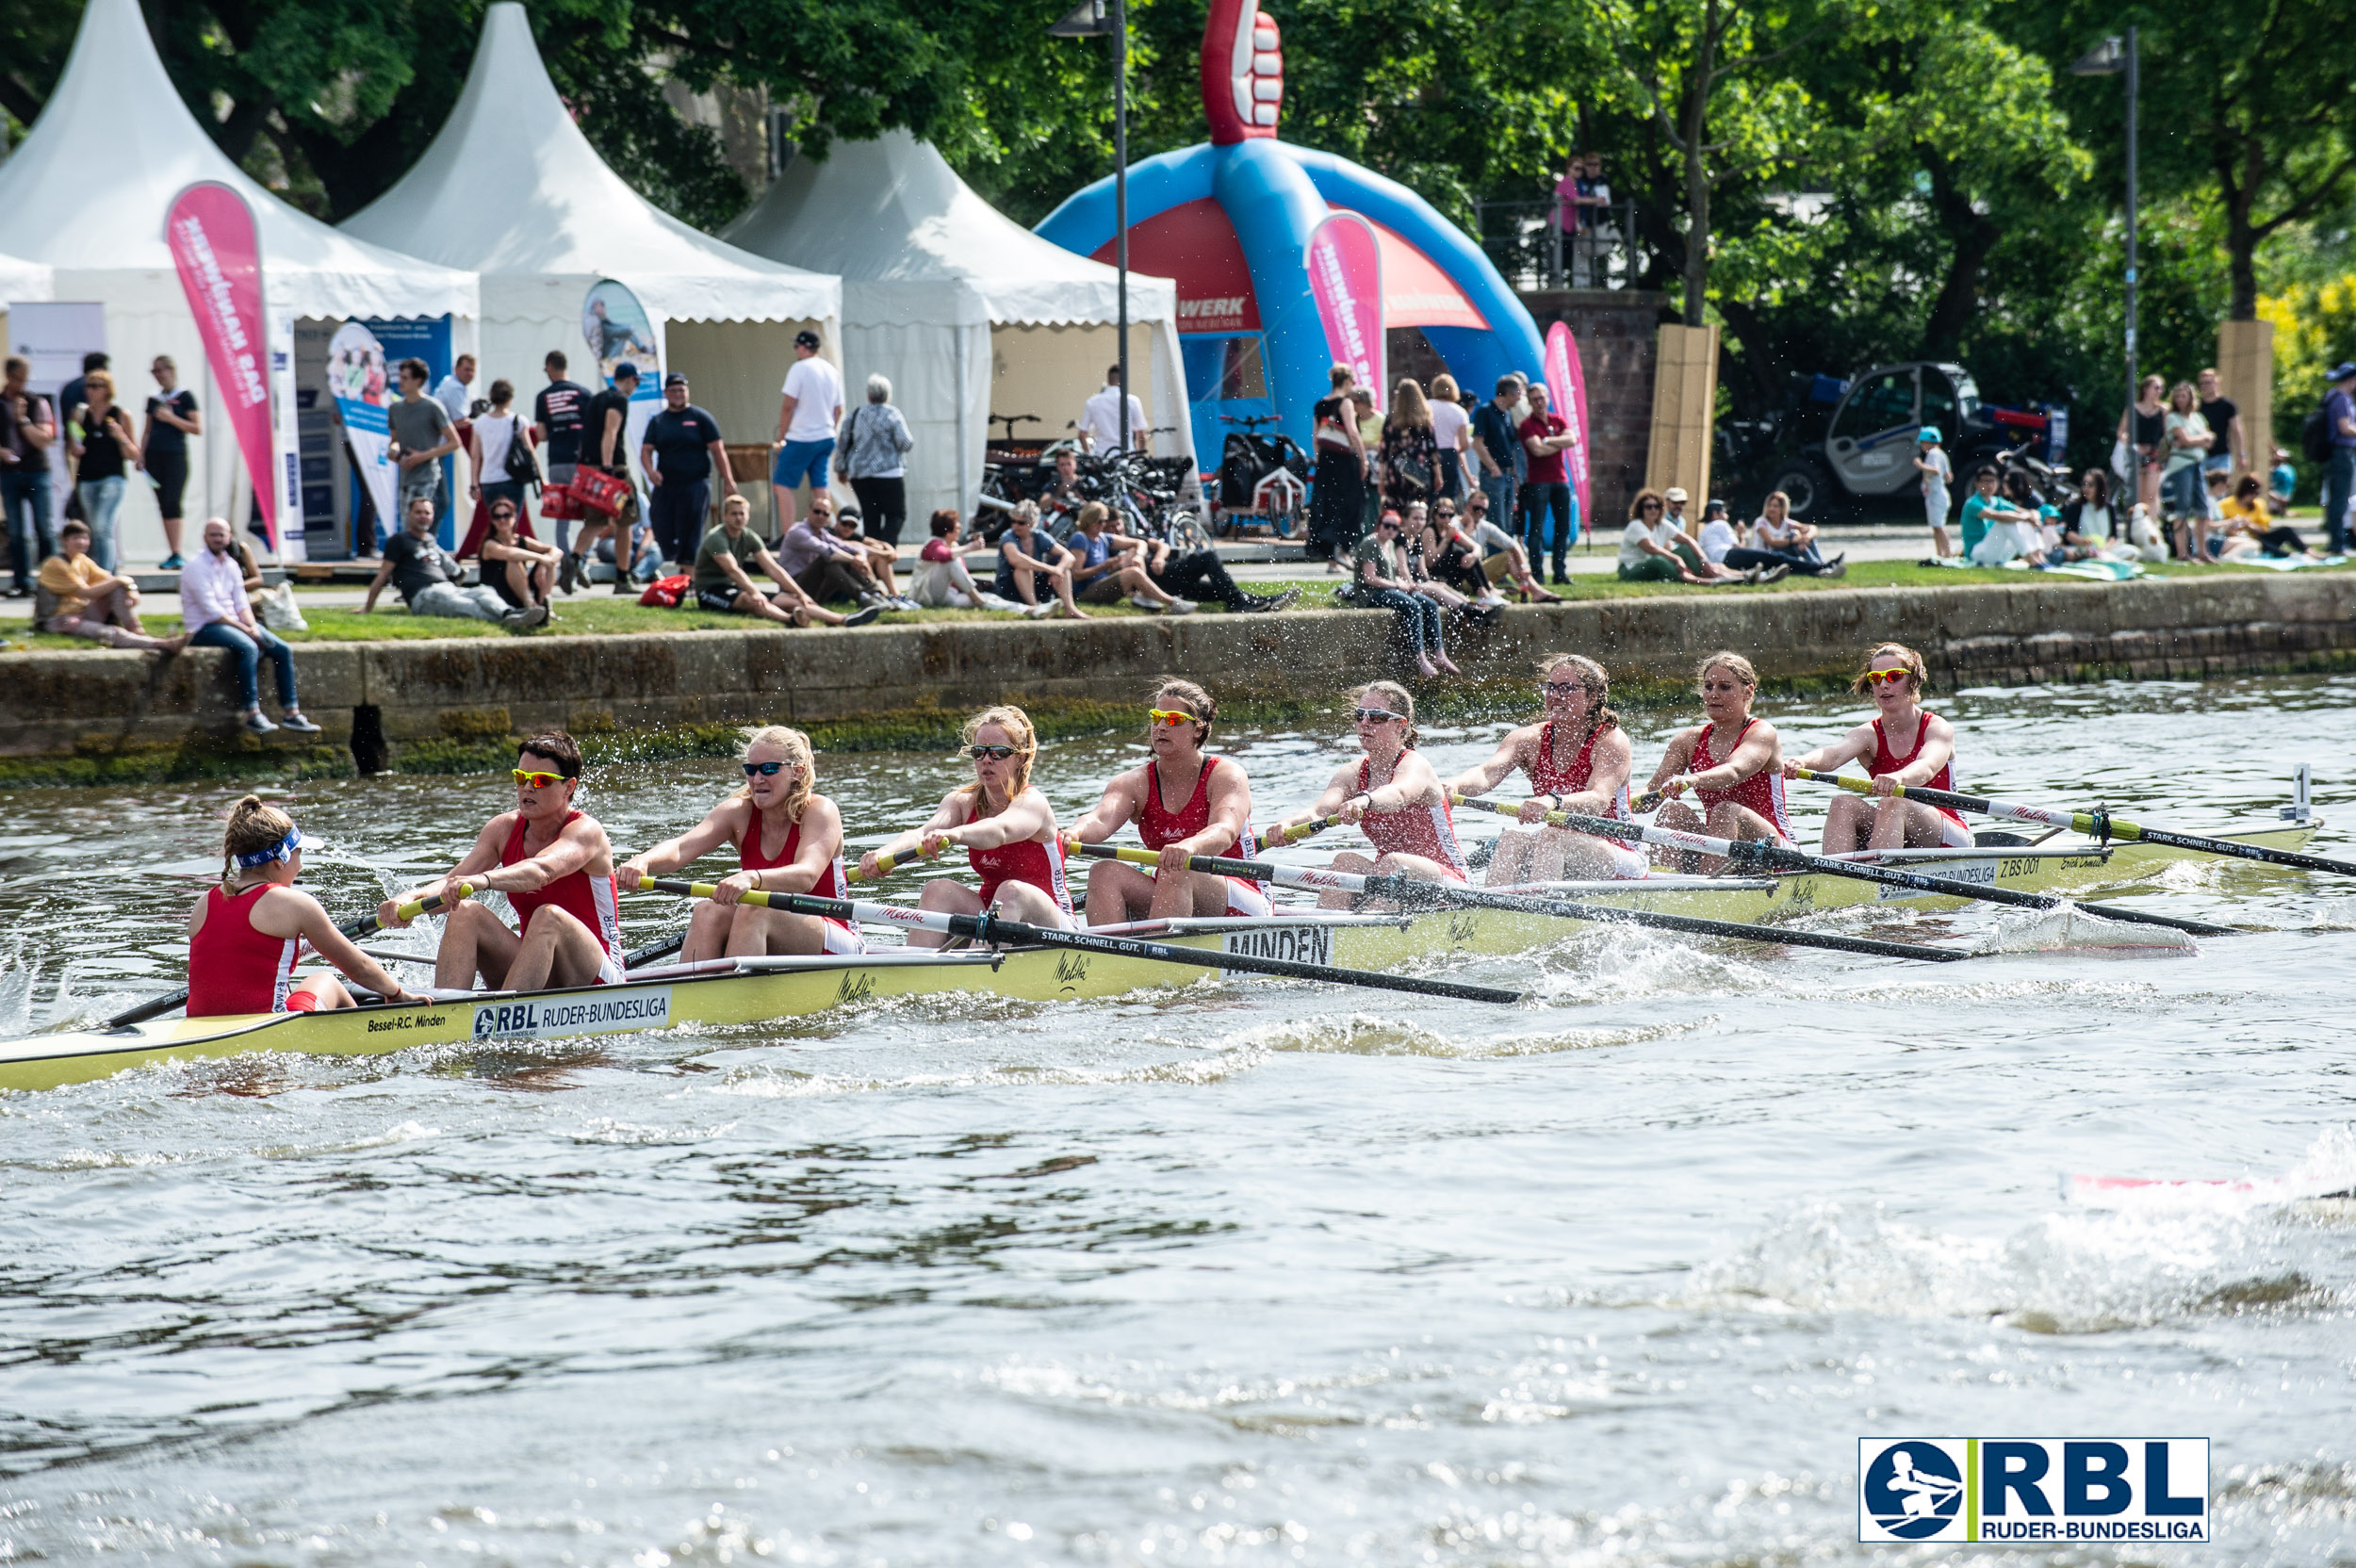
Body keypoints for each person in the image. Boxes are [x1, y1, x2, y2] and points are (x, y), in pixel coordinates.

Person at [380, 732, 627, 991]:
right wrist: (408, 898)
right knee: (465, 912)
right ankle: (445, 1016)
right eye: (521, 778)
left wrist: (484, 880)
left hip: (598, 974)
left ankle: (506, 1022)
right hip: (537, 967)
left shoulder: (587, 832)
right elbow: (452, 881)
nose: (527, 788)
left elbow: (542, 870)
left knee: (548, 916)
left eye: (541, 781)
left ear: (569, 787)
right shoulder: (503, 829)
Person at [619, 726, 864, 959]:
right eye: (751, 769)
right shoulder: (739, 812)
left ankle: (732, 995)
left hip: (838, 933)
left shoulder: (820, 811)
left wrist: (751, 878)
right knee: (707, 912)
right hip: (773, 925)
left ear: (797, 771)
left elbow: (806, 876)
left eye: (768, 769)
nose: (757, 779)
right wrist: (643, 860)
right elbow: (682, 848)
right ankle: (692, 994)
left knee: (754, 908)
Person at [188, 797, 424, 1017]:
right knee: (326, 979)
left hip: (201, 1029)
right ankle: (368, 1040)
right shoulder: (295, 904)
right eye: (299, 854)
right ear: (280, 860)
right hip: (267, 1027)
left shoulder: (204, 903)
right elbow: (358, 967)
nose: (300, 866)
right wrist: (397, 994)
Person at [859, 705, 1074, 946]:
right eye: (979, 751)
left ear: (1020, 758)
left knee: (1012, 891)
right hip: (992, 918)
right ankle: (914, 975)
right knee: (937, 890)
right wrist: (885, 853)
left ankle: (977, 974)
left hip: (1054, 925)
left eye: (998, 752)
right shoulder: (961, 802)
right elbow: (922, 834)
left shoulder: (1033, 803)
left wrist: (956, 833)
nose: (986, 760)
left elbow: (1000, 831)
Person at [1068, 679, 1269, 923]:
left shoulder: (1226, 774)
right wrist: (1072, 834)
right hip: (1172, 883)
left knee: (1179, 867)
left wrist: (1190, 846)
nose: (1161, 727)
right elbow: (1099, 819)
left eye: (1173, 720)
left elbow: (1224, 830)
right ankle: (1111, 958)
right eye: (1156, 717)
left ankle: (1158, 956)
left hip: (1243, 896)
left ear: (1198, 728)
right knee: (1103, 872)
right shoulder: (1133, 782)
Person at [1448, 654, 1645, 884]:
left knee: (1552, 837)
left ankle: (1539, 914)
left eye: (1567, 688)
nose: (1554, 696)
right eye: (1550, 687)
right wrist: (1454, 785)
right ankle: (1495, 912)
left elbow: (1598, 800)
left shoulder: (1611, 740)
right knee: (1511, 838)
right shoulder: (1528, 739)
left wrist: (1554, 801)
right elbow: (1485, 773)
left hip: (1619, 852)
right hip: (1557, 848)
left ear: (1592, 698)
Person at [1269, 682, 1468, 906]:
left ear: (1399, 725)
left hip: (1450, 883)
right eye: (1359, 715)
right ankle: (1328, 931)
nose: (1364, 723)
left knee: (1393, 863)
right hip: (1393, 881)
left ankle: (1370, 932)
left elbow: (1399, 794)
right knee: (1345, 862)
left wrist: (1365, 799)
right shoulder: (1353, 774)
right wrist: (1287, 825)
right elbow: (1318, 812)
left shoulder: (1415, 765)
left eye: (1376, 717)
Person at [1784, 644, 1972, 851]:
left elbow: (1927, 766)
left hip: (1950, 833)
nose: (1883, 684)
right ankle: (1837, 879)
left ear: (1913, 681)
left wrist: (1899, 777)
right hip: (1894, 825)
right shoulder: (1867, 734)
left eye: (1893, 676)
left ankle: (1876, 878)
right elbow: (1834, 755)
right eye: (1875, 678)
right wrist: (1801, 761)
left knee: (1892, 802)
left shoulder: (1937, 727)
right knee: (1842, 804)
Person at [1648, 651, 1792, 862]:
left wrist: (1691, 779)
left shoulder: (1761, 732)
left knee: (1726, 811)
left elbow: (1734, 771)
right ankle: (1664, 883)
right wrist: (1605, 801)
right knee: (1672, 811)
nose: (1713, 694)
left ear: (1748, 692)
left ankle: (1708, 889)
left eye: (1724, 687)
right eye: (1708, 687)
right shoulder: (1688, 741)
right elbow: (1651, 795)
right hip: (1721, 847)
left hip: (1775, 850)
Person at [182, 516, 319, 734]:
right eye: (213, 535)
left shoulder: (230, 565)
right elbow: (211, 610)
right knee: (249, 647)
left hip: (234, 623)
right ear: (205, 538)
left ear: (229, 537)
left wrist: (252, 626)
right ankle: (252, 713)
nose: (218, 539)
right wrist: (247, 631)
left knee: (282, 650)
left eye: (222, 535)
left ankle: (292, 713)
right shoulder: (195, 567)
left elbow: (241, 601)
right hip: (204, 627)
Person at [687, 492, 873, 627]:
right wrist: (754, 591)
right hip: (710, 591)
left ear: (748, 516)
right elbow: (732, 570)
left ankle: (842, 619)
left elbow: (772, 568)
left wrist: (800, 593)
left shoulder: (749, 536)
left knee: (790, 599)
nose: (738, 518)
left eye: (742, 513)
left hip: (733, 587)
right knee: (752, 600)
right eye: (734, 514)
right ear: (724, 516)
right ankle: (790, 620)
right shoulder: (715, 537)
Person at [363, 495, 548, 629]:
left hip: (446, 587)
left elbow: (456, 572)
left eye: (427, 513)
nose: (423, 516)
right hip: (424, 595)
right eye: (418, 512)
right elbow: (383, 575)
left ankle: (510, 614)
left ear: (433, 516)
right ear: (409, 515)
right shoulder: (399, 540)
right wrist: (367, 608)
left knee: (484, 591)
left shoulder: (430, 540)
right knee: (467, 606)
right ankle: (511, 620)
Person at [36, 518, 183, 652]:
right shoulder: (55, 564)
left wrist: (131, 589)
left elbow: (110, 579)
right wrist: (121, 580)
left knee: (118, 589)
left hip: (81, 612)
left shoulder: (82, 559)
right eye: (76, 538)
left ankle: (137, 631)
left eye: (84, 538)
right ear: (64, 541)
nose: (81, 542)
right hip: (60, 620)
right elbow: (88, 593)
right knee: (110, 631)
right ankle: (160, 644)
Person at [640, 372, 734, 570]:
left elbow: (718, 450)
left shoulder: (700, 418)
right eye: (673, 390)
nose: (678, 394)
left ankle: (688, 575)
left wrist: (728, 480)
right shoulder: (658, 421)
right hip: (666, 485)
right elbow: (646, 451)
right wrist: (650, 471)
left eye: (681, 390)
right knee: (660, 526)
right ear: (665, 393)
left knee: (690, 531)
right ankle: (672, 564)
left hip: (695, 484)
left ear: (687, 391)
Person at [557, 363, 637, 595]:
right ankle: (622, 579)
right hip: (611, 467)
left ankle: (573, 560)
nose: (635, 387)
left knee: (595, 521)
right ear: (630, 379)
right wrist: (609, 469)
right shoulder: (619, 399)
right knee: (626, 522)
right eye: (636, 382)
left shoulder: (596, 398)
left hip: (589, 467)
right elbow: (610, 432)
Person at [1350, 510, 1459, 678]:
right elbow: (1369, 578)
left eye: (1394, 527)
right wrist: (1397, 585)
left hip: (1390, 588)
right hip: (1371, 594)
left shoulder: (1391, 544)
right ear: (1379, 525)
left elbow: (1392, 575)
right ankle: (1420, 658)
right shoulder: (1370, 543)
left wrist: (1406, 585)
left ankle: (1439, 654)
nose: (1390, 530)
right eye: (1387, 525)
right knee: (1412, 605)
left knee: (1429, 604)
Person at [771, 331, 843, 536]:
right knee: (820, 485)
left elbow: (788, 406)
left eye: (796, 347)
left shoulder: (799, 368)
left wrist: (782, 437)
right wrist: (828, 428)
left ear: (803, 347)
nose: (796, 351)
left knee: (782, 484)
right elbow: (838, 409)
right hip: (825, 436)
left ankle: (789, 535)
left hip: (801, 437)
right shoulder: (831, 370)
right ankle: (823, 531)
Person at [66, 369, 138, 573]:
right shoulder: (79, 414)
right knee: (94, 528)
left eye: (97, 386)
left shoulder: (120, 414)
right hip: (87, 477)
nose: (91, 390)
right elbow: (74, 446)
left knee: (102, 526)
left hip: (113, 477)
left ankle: (103, 574)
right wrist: (76, 445)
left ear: (107, 389)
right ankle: (109, 572)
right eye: (89, 386)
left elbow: (133, 454)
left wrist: (120, 436)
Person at [1068, 500, 1191, 612]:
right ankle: (1172, 603)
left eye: (1104, 521)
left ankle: (1143, 596)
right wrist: (1104, 566)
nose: (1103, 525)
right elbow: (1077, 575)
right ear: (1089, 521)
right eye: (1100, 521)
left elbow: (1140, 543)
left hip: (1102, 582)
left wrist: (1138, 556)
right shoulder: (1080, 538)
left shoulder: (1102, 537)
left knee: (1133, 550)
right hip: (1085, 591)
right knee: (1133, 573)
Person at [1, 356, 57, 597]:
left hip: (37, 472)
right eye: (18, 378)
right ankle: (21, 583)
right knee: (16, 531)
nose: (22, 383)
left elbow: (44, 440)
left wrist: (22, 420)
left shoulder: (37, 402)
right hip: (9, 474)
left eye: (25, 378)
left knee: (44, 528)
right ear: (8, 375)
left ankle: (50, 583)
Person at [776, 496, 890, 612]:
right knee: (828, 560)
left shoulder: (823, 534)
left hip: (817, 588)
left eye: (825, 514)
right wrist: (857, 558)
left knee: (845, 559)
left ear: (829, 517)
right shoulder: (798, 531)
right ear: (808, 511)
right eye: (817, 511)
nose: (821, 516)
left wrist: (862, 556)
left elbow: (853, 547)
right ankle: (864, 597)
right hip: (793, 589)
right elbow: (829, 552)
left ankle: (877, 595)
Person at [839, 374, 914, 547]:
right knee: (895, 515)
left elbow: (843, 443)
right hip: (889, 474)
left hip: (860, 475)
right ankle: (885, 551)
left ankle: (872, 557)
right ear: (888, 395)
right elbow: (906, 443)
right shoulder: (892, 414)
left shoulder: (855, 414)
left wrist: (841, 468)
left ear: (869, 395)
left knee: (870, 516)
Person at [387, 357, 460, 535]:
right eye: (400, 377)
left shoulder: (432, 406)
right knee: (407, 526)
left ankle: (427, 552)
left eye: (405, 378)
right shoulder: (395, 408)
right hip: (406, 477)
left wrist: (422, 456)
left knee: (421, 522)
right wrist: (394, 450)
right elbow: (395, 440)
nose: (400, 382)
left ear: (418, 381)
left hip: (427, 476)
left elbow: (454, 442)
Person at [140, 355, 200, 569]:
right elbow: (147, 430)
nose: (157, 376)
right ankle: (172, 551)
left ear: (170, 370)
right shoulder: (153, 399)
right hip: (155, 457)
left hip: (175, 456)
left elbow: (196, 428)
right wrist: (141, 455)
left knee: (173, 501)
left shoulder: (185, 397)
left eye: (160, 371)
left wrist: (171, 418)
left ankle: (177, 552)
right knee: (163, 503)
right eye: (154, 372)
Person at [1306, 364, 1367, 565]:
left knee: (1328, 505)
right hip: (1344, 460)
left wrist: (1319, 459)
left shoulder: (1319, 404)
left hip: (1326, 461)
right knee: (1351, 503)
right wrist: (1363, 458)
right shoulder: (1346, 403)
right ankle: (1343, 550)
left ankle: (1331, 555)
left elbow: (1316, 437)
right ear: (1348, 381)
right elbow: (1352, 432)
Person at [1618, 489, 1745, 585]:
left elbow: (1688, 540)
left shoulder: (1662, 524)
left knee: (1685, 548)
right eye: (1648, 506)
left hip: (1657, 562)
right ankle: (1703, 580)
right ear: (1641, 509)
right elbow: (1651, 549)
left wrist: (1704, 561)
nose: (1653, 510)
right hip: (1631, 568)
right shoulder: (1636, 525)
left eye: (1656, 506)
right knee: (1657, 560)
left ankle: (1738, 576)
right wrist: (1676, 558)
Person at [1517, 382, 1579, 581]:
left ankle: (1560, 572)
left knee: (1563, 528)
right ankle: (1538, 573)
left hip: (1560, 480)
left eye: (1542, 398)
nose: (1539, 402)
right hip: (1538, 481)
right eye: (1534, 399)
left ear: (1548, 398)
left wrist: (1547, 441)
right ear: (1529, 402)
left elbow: (1572, 439)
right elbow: (1537, 450)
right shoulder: (1527, 425)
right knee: (1537, 528)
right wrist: (1557, 443)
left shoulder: (1557, 419)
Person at [1456, 487, 1560, 602]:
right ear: (1467, 506)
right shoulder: (1454, 524)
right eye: (1477, 508)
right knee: (1505, 557)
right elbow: (1458, 554)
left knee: (1510, 555)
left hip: (1476, 576)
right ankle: (1534, 591)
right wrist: (1469, 527)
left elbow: (1513, 545)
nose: (1480, 512)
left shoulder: (1484, 526)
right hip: (1460, 578)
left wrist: (1524, 566)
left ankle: (1532, 589)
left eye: (1484, 510)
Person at [910, 509, 1024, 612]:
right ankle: (980, 600)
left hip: (948, 594)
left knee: (990, 598)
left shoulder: (953, 546)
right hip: (926, 595)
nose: (960, 530)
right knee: (951, 561)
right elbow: (943, 555)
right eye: (958, 528)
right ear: (948, 531)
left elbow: (961, 573)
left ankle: (1027, 609)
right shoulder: (933, 543)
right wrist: (969, 548)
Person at [532, 351, 589, 551]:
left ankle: (566, 560)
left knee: (562, 516)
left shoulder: (542, 397)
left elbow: (541, 435)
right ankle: (580, 560)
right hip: (582, 463)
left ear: (550, 367)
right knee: (590, 515)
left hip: (557, 461)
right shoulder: (584, 393)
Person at [993, 500, 1087, 619]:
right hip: (1009, 588)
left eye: (1021, 523)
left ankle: (1070, 609)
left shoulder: (1039, 536)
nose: (1015, 525)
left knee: (1064, 569)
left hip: (1035, 585)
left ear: (1031, 523)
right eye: (1013, 521)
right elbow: (1016, 559)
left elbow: (1069, 556)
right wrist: (1050, 569)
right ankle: (1036, 609)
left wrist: (1058, 569)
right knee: (1022, 568)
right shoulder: (1008, 536)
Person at [819, 498, 914, 607]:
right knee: (866, 557)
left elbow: (877, 543)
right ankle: (880, 595)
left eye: (852, 526)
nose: (848, 528)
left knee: (875, 551)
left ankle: (894, 596)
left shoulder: (851, 535)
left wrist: (889, 549)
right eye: (845, 523)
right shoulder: (827, 534)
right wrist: (883, 553)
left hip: (850, 583)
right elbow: (850, 545)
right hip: (832, 584)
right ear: (837, 519)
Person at [467, 378, 532, 537]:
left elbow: (475, 456)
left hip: (489, 480)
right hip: (513, 480)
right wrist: (542, 479)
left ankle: (499, 556)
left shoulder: (480, 423)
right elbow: (529, 450)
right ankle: (511, 557)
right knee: (511, 524)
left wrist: (474, 483)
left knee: (496, 525)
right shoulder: (519, 421)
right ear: (510, 398)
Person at [481, 497, 562, 612]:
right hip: (498, 596)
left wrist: (545, 563)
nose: (502, 520)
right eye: (497, 517)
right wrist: (541, 558)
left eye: (506, 515)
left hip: (518, 592)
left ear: (514, 517)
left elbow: (556, 550)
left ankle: (546, 607)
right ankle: (531, 607)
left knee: (550, 562)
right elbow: (511, 554)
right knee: (514, 561)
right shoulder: (489, 544)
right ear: (492, 521)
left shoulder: (521, 540)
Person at [1377, 377, 1440, 519]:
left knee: (1396, 510)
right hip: (1419, 469)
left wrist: (1382, 478)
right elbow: (1433, 450)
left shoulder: (1391, 420)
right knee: (1418, 510)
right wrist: (1438, 475)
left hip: (1397, 470)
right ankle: (1415, 537)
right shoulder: (1425, 421)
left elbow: (1383, 452)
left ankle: (1397, 537)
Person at [1471, 374, 1526, 534]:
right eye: (1518, 394)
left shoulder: (1508, 414)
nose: (1519, 398)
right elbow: (1478, 443)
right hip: (1493, 476)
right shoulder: (1485, 412)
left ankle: (1506, 559)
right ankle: (1496, 558)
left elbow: (1511, 447)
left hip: (1508, 476)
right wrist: (1493, 467)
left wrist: (1515, 475)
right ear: (1509, 393)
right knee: (1496, 523)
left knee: (1508, 524)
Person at [2217, 472, 2316, 558]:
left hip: (2257, 537)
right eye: (2253, 493)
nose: (2255, 496)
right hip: (2240, 540)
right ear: (2244, 491)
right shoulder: (2225, 505)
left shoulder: (2258, 504)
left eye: (2257, 494)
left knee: (2286, 530)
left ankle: (2309, 552)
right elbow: (2221, 529)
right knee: (2259, 542)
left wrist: (2249, 525)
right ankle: (2289, 555)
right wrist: (2233, 527)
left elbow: (2264, 530)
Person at [2161, 380, 2214, 541]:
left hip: (2198, 464)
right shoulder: (2173, 417)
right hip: (2181, 465)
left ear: (2191, 398)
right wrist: (2201, 439)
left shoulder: (2198, 417)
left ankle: (2202, 552)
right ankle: (2182, 553)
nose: (2180, 400)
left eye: (2183, 396)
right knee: (2182, 509)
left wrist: (2194, 440)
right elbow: (2186, 441)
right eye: (2177, 396)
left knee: (2203, 509)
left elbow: (2210, 440)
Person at [1746, 491, 1843, 576]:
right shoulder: (1761, 522)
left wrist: (1805, 538)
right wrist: (1795, 540)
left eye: (1775, 506)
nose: (1771, 509)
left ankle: (1820, 564)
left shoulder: (1785, 522)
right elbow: (1772, 542)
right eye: (1770, 505)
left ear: (1782, 509)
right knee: (1794, 536)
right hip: (1766, 557)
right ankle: (1821, 566)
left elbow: (1812, 528)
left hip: (1779, 554)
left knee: (1800, 536)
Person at [2118, 373, 2168, 520]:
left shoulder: (2163, 410)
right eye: (2156, 387)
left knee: (2152, 494)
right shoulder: (2133, 408)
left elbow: (2167, 434)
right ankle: (2139, 524)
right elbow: (2122, 432)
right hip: (2137, 453)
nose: (2159, 391)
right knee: (2139, 495)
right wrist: (2133, 445)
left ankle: (2152, 525)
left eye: (2161, 388)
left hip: (2154, 455)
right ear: (2146, 389)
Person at [1078, 364, 1149, 454]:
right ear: (1124, 380)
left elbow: (1082, 434)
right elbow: (1141, 434)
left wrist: (1090, 455)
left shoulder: (1092, 402)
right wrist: (1140, 456)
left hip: (1102, 456)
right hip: (1126, 456)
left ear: (1108, 381)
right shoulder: (1132, 401)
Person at [2323, 361, 2356, 556]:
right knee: (2340, 499)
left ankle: (2336, 541)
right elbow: (2345, 427)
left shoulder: (2331, 396)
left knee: (2336, 498)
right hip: (2341, 453)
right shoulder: (2342, 399)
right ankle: (2337, 544)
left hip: (2335, 453)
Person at [2197, 367, 2246, 482]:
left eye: (2208, 383)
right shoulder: (2196, 406)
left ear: (2217, 383)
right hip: (2200, 455)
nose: (2204, 386)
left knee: (2219, 493)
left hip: (2221, 456)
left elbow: (2237, 430)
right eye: (2201, 383)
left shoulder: (2227, 405)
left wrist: (2241, 455)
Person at [1428, 373, 1471, 502]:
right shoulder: (1459, 411)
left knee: (1429, 494)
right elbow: (1464, 443)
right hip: (1448, 455)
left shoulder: (1426, 406)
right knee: (1447, 498)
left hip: (1428, 454)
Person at [2060, 468, 2116, 547]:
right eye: (2084, 484)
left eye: (2090, 485)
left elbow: (2113, 536)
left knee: (2132, 551)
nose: (2086, 488)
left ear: (2100, 487)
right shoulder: (2074, 507)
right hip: (2080, 550)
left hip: (2104, 550)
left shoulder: (2109, 508)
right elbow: (2069, 534)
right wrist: (2082, 541)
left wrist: (2104, 549)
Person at [431, 355, 476, 425]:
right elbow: (460, 422)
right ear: (456, 369)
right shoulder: (455, 387)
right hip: (441, 434)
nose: (470, 374)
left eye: (472, 370)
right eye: (466, 370)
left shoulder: (450, 381)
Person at [2268, 447, 2299, 516]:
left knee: (2264, 491)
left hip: (2279, 495)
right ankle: (2283, 510)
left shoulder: (2279, 470)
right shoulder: (2290, 468)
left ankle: (2281, 507)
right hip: (2288, 494)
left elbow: (2271, 484)